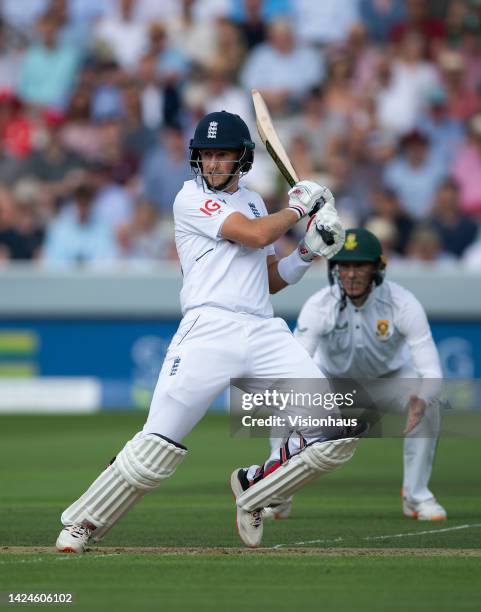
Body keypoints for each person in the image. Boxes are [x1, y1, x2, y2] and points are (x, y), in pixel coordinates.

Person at [55, 110, 360, 553]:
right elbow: (253, 237)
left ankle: (254, 490)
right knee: (155, 448)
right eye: (207, 155)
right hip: (208, 328)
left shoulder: (255, 201)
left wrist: (308, 251)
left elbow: (267, 276)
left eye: (223, 155)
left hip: (263, 329)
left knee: (337, 432)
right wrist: (298, 208)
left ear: (243, 159)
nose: (214, 163)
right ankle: (82, 522)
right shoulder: (189, 199)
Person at [265, 228, 447, 521]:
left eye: (359, 265)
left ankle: (416, 497)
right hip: (334, 385)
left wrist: (422, 398)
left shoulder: (403, 303)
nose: (350, 274)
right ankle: (277, 494)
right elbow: (298, 364)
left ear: (377, 268)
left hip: (389, 381)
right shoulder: (319, 305)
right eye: (344, 266)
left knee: (430, 403)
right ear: (335, 269)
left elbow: (431, 371)